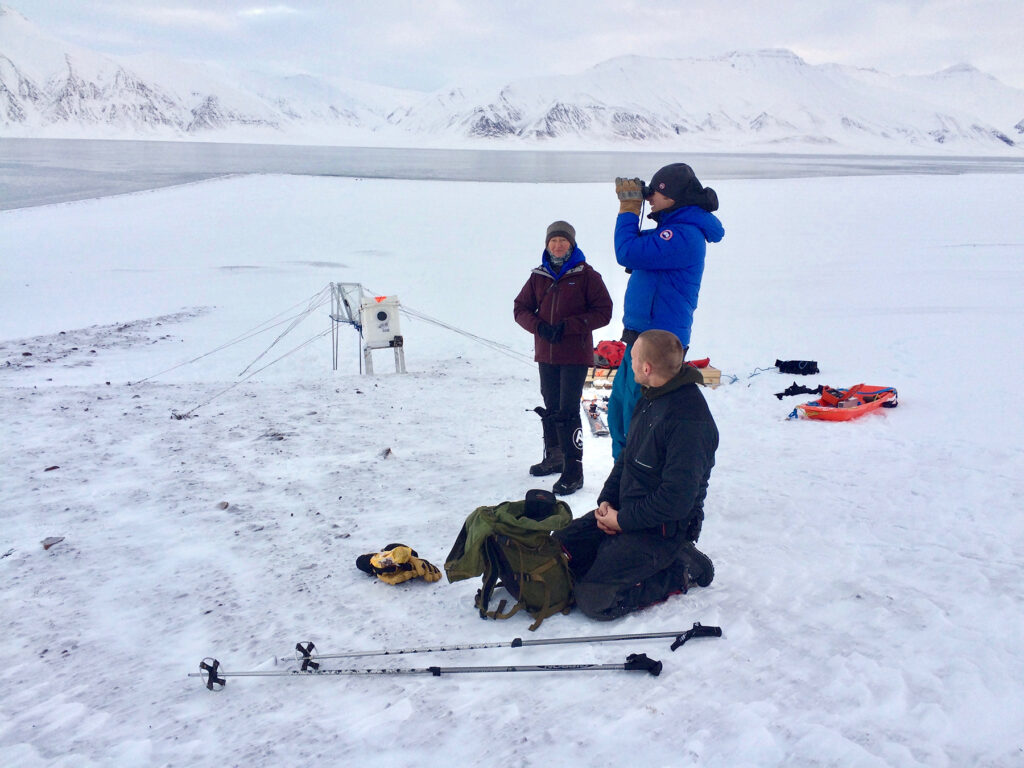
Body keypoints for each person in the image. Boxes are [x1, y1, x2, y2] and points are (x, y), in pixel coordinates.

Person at [554, 329, 718, 620]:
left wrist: (622, 521)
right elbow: (628, 457)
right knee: (559, 551)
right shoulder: (652, 395)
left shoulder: (688, 421)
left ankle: (680, 568)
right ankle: (611, 555)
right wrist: (607, 502)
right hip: (628, 513)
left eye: (632, 358)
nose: (627, 363)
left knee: (593, 599)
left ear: (646, 368)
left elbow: (676, 501)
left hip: (662, 532)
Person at [607, 163, 724, 460]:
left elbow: (627, 251)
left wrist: (629, 208)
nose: (649, 198)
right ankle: (621, 475)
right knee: (619, 410)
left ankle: (634, 476)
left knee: (638, 420)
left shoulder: (683, 236)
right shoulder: (672, 232)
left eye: (654, 193)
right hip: (640, 339)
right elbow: (634, 250)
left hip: (658, 345)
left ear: (673, 197)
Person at [514, 220, 613, 496]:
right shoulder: (539, 276)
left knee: (567, 410)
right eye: (553, 241)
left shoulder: (587, 275)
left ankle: (574, 471)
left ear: (572, 243)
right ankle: (555, 458)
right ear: (547, 245)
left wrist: (569, 326)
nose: (558, 245)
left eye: (563, 240)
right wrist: (539, 327)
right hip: (546, 354)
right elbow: (520, 308)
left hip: (574, 355)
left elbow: (603, 311)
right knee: (551, 406)